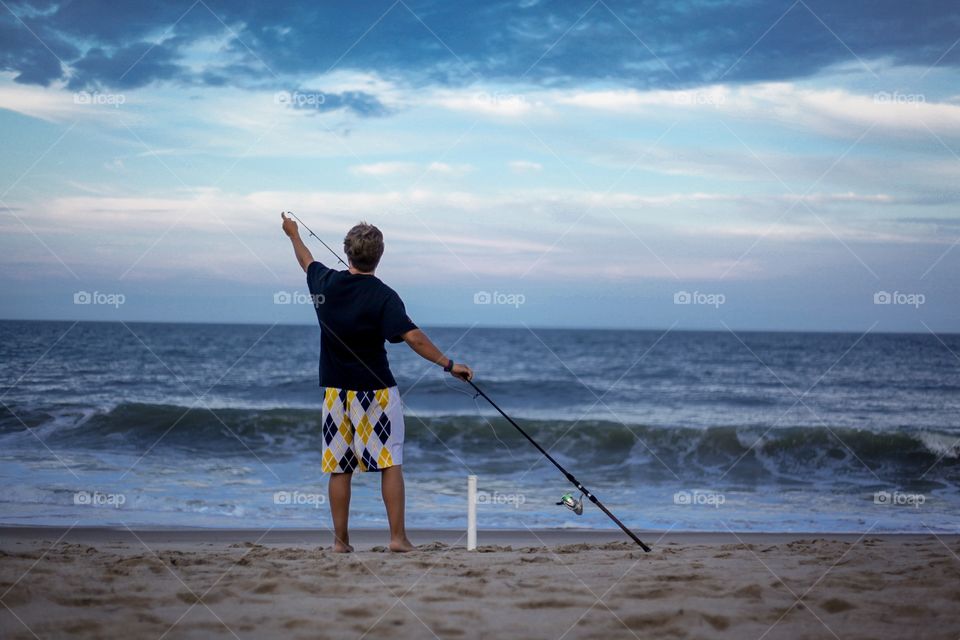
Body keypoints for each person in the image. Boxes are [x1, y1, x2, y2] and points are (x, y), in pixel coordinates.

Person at [281, 213, 473, 553]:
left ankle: (341, 543)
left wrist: (293, 233)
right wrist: (449, 364)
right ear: (379, 255)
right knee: (389, 463)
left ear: (347, 251)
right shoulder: (384, 295)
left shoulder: (326, 283)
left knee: (340, 467)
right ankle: (397, 539)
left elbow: (306, 259)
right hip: (376, 392)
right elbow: (413, 338)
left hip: (335, 391)